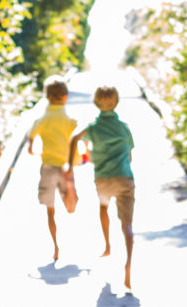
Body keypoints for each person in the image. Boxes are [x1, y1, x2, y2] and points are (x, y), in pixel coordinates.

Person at [67, 85, 136, 288]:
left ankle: (107, 245)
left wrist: (72, 164)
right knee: (127, 225)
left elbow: (74, 138)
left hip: (103, 180)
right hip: (124, 178)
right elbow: (130, 156)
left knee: (103, 206)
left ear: (96, 103)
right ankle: (128, 265)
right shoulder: (124, 128)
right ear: (116, 103)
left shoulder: (93, 128)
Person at [28, 76, 77, 261]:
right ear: (65, 97)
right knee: (70, 207)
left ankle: (55, 246)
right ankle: (69, 191)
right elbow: (77, 137)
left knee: (50, 208)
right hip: (65, 166)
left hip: (48, 166)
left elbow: (32, 134)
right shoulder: (68, 119)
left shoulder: (43, 119)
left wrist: (31, 149)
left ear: (47, 97)